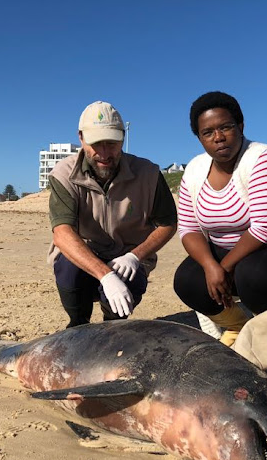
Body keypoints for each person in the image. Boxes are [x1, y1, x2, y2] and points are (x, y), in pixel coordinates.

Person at [174, 91, 267, 346]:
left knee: (252, 275)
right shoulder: (195, 170)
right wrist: (211, 267)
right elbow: (188, 228)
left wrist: (225, 267)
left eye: (226, 127)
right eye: (208, 133)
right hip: (228, 252)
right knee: (187, 278)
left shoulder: (263, 158)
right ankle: (238, 326)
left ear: (241, 126)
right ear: (199, 138)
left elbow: (264, 229)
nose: (218, 138)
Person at [48, 100, 177, 328]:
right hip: (86, 253)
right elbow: (62, 233)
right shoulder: (64, 175)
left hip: (127, 255)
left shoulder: (149, 174)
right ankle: (78, 324)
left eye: (112, 143)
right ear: (81, 138)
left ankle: (112, 326)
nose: (105, 153)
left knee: (125, 287)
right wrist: (105, 275)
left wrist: (135, 256)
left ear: (123, 138)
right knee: (67, 268)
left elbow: (168, 224)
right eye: (96, 144)